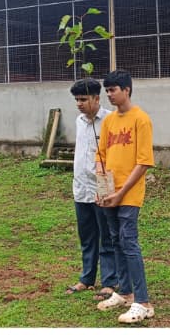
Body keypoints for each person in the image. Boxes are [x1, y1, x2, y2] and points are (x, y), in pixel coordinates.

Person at [96, 70, 155, 324]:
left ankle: (143, 302)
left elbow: (143, 163)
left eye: (113, 90)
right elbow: (101, 156)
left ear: (126, 90)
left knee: (128, 241)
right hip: (110, 192)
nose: (109, 94)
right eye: (107, 90)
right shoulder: (109, 121)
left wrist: (120, 192)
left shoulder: (141, 119)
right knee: (115, 241)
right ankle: (125, 292)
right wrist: (103, 188)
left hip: (129, 194)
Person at [68, 78, 119, 297]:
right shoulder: (80, 120)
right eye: (76, 99)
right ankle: (87, 278)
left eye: (83, 99)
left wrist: (106, 188)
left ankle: (109, 281)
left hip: (103, 183)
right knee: (87, 235)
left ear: (96, 98)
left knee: (106, 235)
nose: (79, 103)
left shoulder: (110, 120)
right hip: (81, 186)